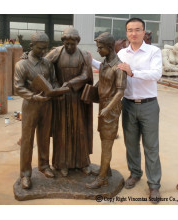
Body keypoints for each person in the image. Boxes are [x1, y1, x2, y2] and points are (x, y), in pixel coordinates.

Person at [92, 17, 162, 204]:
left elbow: (156, 74)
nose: (133, 33)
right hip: (129, 105)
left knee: (151, 146)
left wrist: (133, 72)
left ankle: (154, 185)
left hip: (148, 105)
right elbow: (108, 67)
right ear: (126, 33)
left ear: (144, 32)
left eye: (137, 30)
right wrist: (89, 59)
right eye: (130, 30)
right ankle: (135, 174)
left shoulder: (153, 51)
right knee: (131, 144)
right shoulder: (122, 52)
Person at [14, 32, 60, 189]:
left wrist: (53, 90)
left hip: (47, 105)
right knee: (27, 141)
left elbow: (54, 81)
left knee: (44, 137)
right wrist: (34, 96)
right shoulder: (22, 65)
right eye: (40, 48)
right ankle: (25, 174)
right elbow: (18, 87)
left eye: (46, 49)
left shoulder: (47, 63)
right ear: (31, 46)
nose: (43, 52)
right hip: (31, 106)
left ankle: (44, 165)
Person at [46, 27, 93, 177]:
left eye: (72, 44)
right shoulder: (56, 52)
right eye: (67, 44)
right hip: (60, 98)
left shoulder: (84, 55)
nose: (69, 47)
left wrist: (71, 83)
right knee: (62, 131)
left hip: (77, 99)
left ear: (78, 42)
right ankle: (62, 164)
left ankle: (82, 163)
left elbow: (86, 74)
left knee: (80, 130)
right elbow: (43, 65)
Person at [85, 32, 127, 189]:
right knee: (103, 138)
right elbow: (101, 84)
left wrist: (108, 108)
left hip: (111, 109)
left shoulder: (119, 67)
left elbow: (120, 91)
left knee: (106, 143)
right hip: (103, 106)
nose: (98, 50)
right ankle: (106, 169)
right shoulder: (103, 65)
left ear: (109, 47)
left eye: (100, 47)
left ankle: (102, 178)